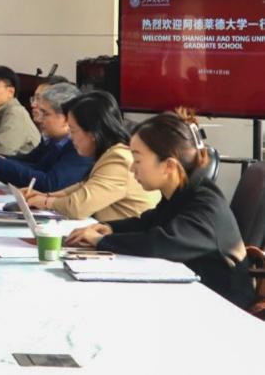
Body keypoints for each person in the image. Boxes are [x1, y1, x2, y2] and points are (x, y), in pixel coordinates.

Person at [67, 110, 255, 309]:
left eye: (138, 160)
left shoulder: (205, 206)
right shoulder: (183, 192)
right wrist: (110, 228)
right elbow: (149, 221)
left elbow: (161, 243)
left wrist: (101, 241)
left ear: (168, 166)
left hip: (222, 308)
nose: (132, 168)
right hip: (190, 298)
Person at [25, 91, 160, 221]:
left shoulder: (119, 159)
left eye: (73, 130)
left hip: (125, 235)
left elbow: (78, 207)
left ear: (93, 133)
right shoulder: (109, 154)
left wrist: (45, 202)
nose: (70, 137)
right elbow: (83, 188)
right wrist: (45, 196)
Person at [0, 83, 93, 192]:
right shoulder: (52, 140)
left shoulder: (81, 147)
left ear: (67, 118)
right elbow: (30, 162)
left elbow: (50, 184)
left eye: (45, 113)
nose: (39, 119)